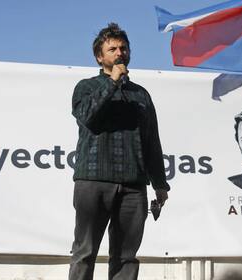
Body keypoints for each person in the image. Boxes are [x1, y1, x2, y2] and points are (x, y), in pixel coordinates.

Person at [68, 23, 170, 280]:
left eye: (123, 48)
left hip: (133, 186)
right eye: (112, 48)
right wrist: (112, 82)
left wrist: (160, 183)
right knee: (85, 251)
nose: (119, 52)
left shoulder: (141, 94)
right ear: (99, 57)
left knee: (126, 257)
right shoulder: (86, 87)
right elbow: (87, 116)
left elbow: (151, 141)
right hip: (93, 181)